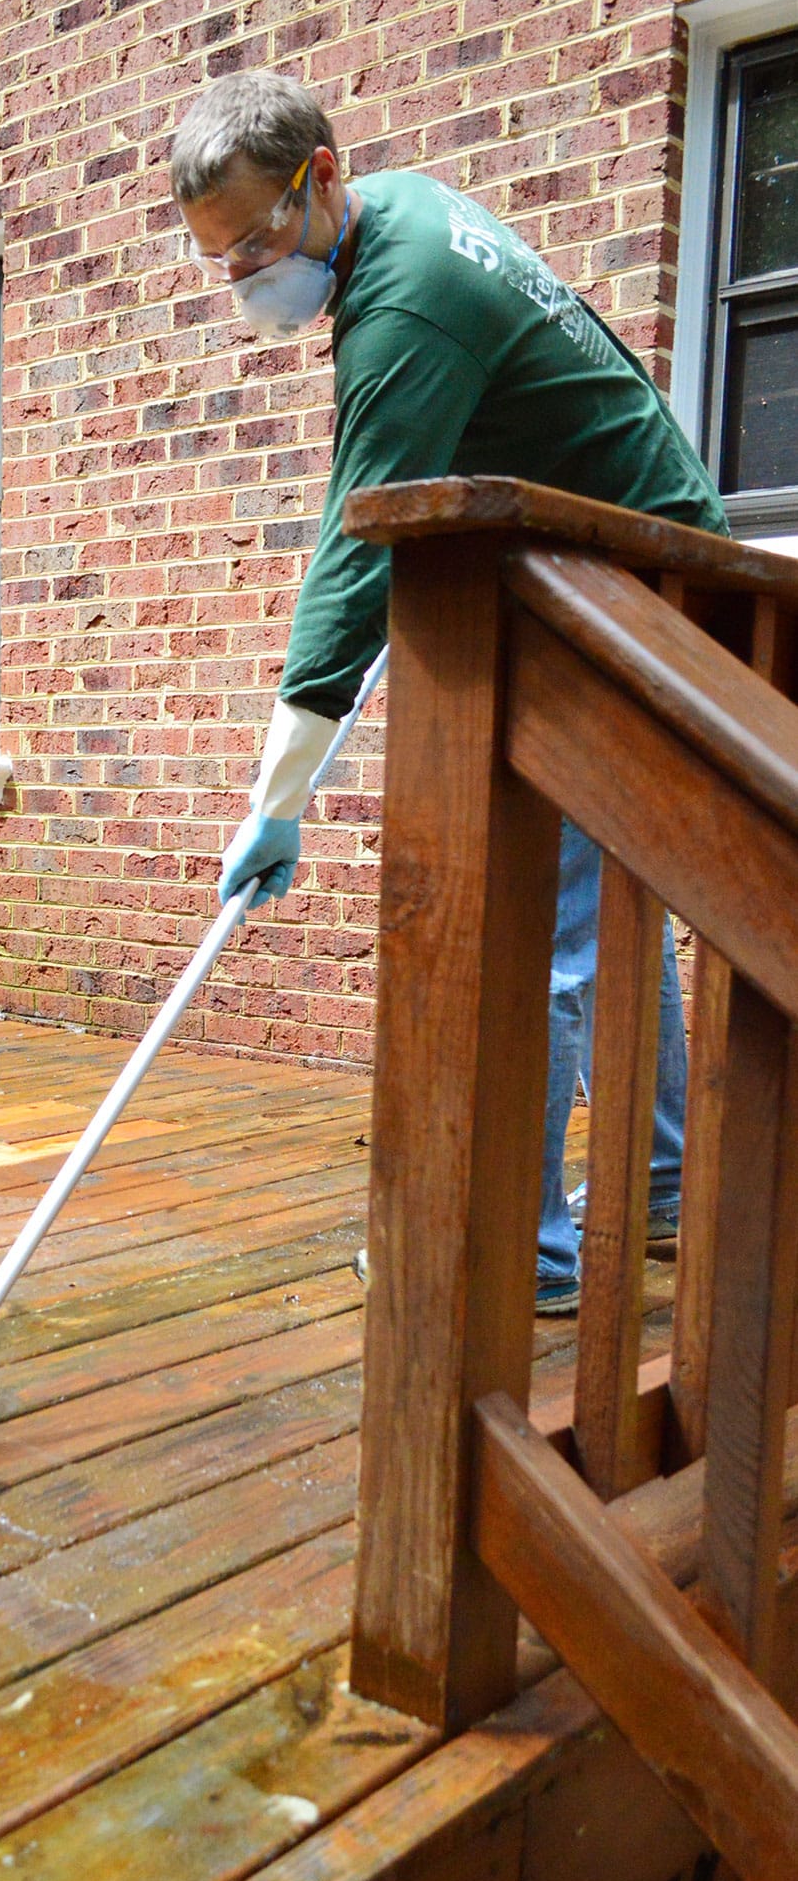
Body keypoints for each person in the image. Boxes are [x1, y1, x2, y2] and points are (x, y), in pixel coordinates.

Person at [170, 72, 722, 1314]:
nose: (246, 273)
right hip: (643, 576)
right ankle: (666, 1186)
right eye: (219, 258)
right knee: (611, 907)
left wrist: (280, 797)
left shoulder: (403, 308)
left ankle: (515, 1254)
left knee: (549, 930)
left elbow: (350, 553)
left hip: (634, 605)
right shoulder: (410, 209)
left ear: (322, 174)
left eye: (257, 238)